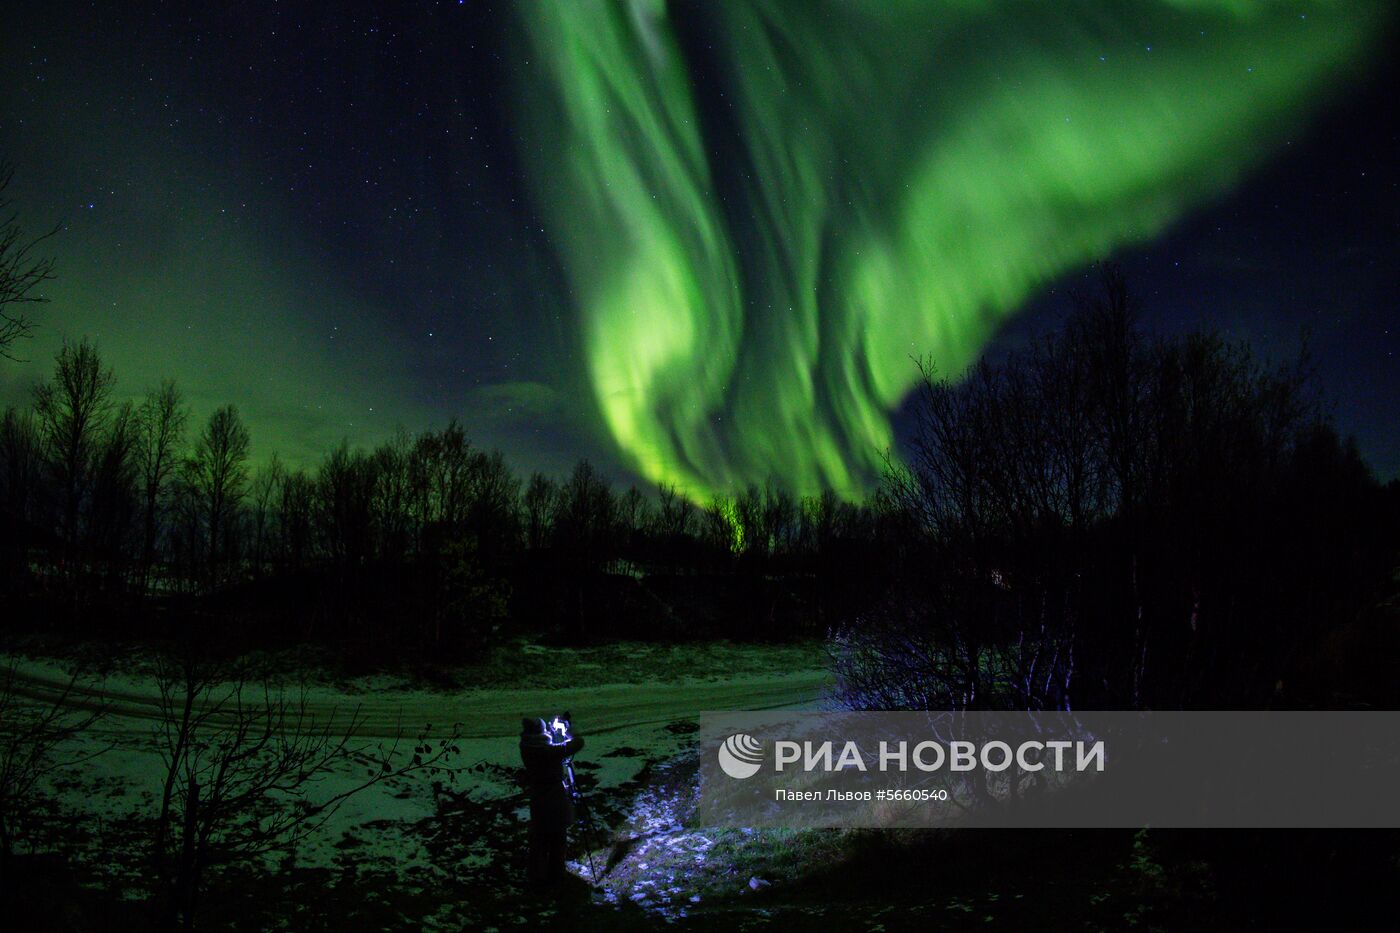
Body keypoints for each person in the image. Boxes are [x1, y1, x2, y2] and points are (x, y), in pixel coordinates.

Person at [519, 713, 585, 884]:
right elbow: (578, 743)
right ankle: (556, 874)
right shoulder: (547, 751)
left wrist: (552, 732)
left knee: (539, 836)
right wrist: (569, 729)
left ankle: (537, 874)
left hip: (538, 797)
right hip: (554, 796)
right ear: (539, 733)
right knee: (557, 835)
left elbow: (552, 748)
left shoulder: (527, 746)